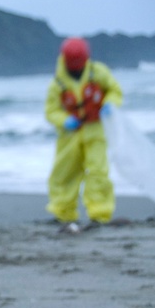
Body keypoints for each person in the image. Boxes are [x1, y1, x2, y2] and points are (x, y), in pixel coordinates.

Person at [45, 37, 123, 233]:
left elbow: (115, 91)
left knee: (98, 172)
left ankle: (100, 214)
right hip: (70, 136)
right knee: (64, 174)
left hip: (95, 131)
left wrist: (110, 104)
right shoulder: (57, 84)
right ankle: (63, 214)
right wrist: (64, 120)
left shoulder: (98, 73)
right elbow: (51, 111)